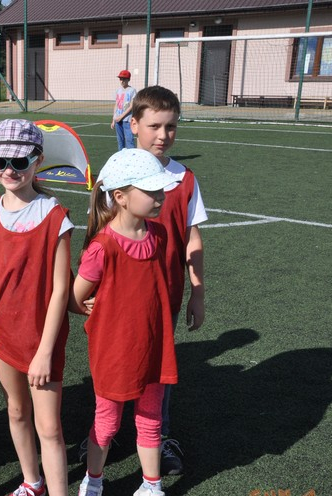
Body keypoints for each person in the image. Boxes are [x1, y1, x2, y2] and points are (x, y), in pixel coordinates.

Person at [0, 119, 90, 496]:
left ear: (37, 161)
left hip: (40, 342)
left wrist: (44, 350)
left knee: (50, 428)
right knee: (16, 412)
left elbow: (60, 290)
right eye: (0, 160)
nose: (8, 169)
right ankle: (31, 481)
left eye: (18, 161)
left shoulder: (54, 215)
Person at [70, 148, 178, 496]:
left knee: (150, 419)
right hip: (114, 353)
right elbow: (74, 297)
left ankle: (151, 485)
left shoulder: (159, 234)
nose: (160, 197)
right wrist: (87, 306)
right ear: (120, 196)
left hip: (154, 349)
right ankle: (93, 480)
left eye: (161, 190)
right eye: (152, 191)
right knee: (107, 423)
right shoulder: (102, 247)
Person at [131, 85, 207, 475]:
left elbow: (193, 238)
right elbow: (98, 236)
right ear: (134, 125)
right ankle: (103, 432)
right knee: (116, 363)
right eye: (154, 126)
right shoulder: (118, 173)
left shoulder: (185, 179)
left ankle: (159, 436)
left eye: (171, 126)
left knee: (160, 369)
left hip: (166, 297)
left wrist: (198, 293)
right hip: (122, 297)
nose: (163, 135)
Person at [111, 69, 136, 150]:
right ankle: (121, 155)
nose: (122, 81)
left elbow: (131, 106)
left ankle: (131, 156)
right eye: (120, 79)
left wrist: (121, 117)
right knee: (120, 141)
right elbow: (116, 105)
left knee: (129, 140)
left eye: (124, 79)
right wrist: (113, 119)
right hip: (118, 120)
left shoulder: (132, 91)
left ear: (128, 79)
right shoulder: (118, 91)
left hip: (127, 120)